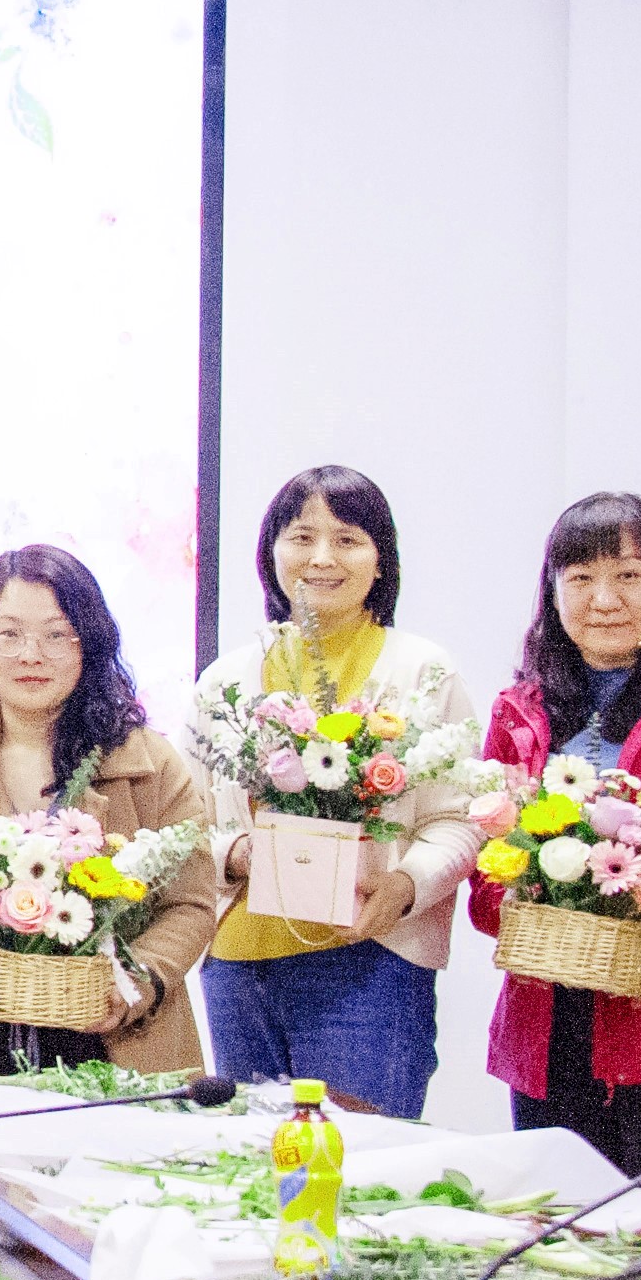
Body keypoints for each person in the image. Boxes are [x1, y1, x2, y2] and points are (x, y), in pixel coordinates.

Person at [185, 467, 481, 1120]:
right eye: (301, 537)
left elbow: (459, 820)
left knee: (359, 1163)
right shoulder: (225, 679)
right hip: (239, 963)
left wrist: (405, 886)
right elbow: (189, 820)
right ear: (271, 551)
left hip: (369, 959)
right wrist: (238, 854)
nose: (322, 557)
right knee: (250, 1164)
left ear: (381, 559)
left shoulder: (423, 671)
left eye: (347, 539)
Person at [471, 493, 641, 1179]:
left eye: (628, 575)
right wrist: (515, 897)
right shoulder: (519, 710)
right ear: (553, 590)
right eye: (581, 578)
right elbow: (484, 876)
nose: (604, 600)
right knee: (556, 1225)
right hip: (547, 1027)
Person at [0, 545, 220, 1079]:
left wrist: (136, 981)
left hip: (119, 1042)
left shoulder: (150, 763)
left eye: (57, 635)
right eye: (9, 634)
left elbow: (191, 903)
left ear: (90, 642)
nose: (30, 655)